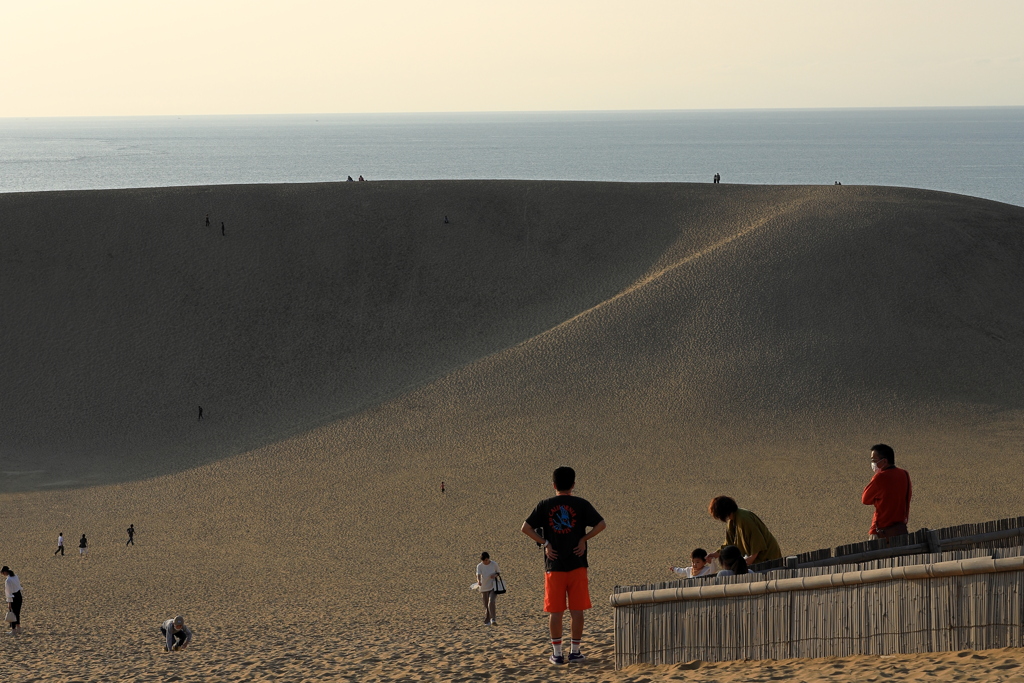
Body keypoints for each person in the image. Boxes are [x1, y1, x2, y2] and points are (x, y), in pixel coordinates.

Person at [521, 466, 606, 665]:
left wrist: (545, 543)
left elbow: (525, 528)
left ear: (554, 485)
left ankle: (557, 654)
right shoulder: (581, 503)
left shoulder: (545, 505)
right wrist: (583, 539)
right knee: (577, 611)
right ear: (573, 485)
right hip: (577, 564)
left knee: (556, 611)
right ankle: (575, 652)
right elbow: (601, 524)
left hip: (554, 565)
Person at [705, 497, 782, 566]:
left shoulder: (744, 518)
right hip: (753, 557)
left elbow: (757, 540)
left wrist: (750, 558)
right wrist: (715, 554)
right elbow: (729, 543)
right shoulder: (731, 521)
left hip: (767, 556)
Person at [862, 443, 912, 540]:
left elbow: (865, 499)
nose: (873, 464)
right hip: (900, 529)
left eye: (874, 460)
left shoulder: (880, 477)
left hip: (881, 531)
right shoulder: (904, 474)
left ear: (884, 461)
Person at [476, 552, 501, 626]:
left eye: (487, 560)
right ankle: (487, 621)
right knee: (486, 605)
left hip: (493, 586)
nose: (486, 562)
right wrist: (479, 581)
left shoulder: (494, 564)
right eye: (484, 561)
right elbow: (478, 574)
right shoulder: (479, 566)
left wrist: (495, 575)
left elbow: (498, 572)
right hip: (484, 587)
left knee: (491, 601)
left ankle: (493, 619)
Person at [3, 566, 22, 634]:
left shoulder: (8, 580)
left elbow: (8, 592)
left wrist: (9, 603)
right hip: (19, 595)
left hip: (13, 597)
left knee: (13, 613)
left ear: (5, 572)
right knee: (17, 613)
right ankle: (18, 628)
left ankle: (14, 630)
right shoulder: (15, 576)